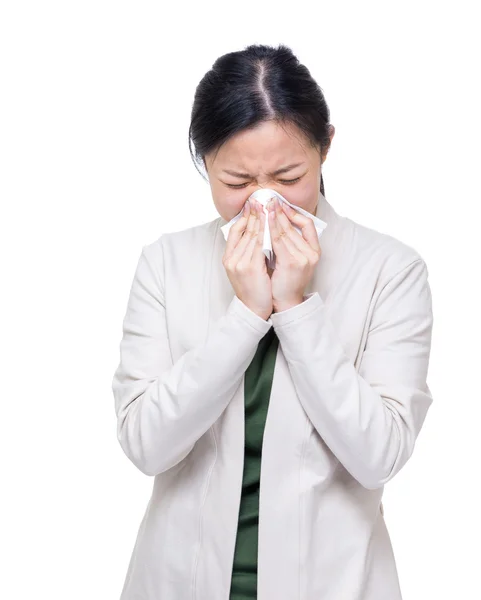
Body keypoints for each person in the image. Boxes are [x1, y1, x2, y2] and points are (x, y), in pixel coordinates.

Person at [111, 43, 434, 600]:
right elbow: (146, 445)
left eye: (287, 176)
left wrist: (297, 308)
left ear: (326, 147)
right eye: (237, 183)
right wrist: (244, 315)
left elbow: (378, 455)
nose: (263, 204)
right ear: (204, 161)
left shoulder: (390, 270)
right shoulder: (165, 263)